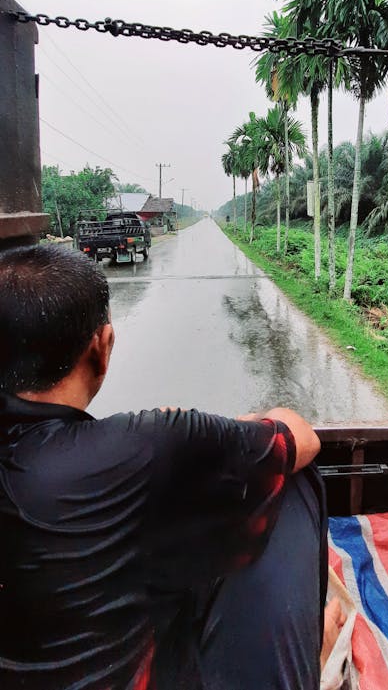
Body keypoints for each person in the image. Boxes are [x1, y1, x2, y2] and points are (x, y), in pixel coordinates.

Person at [0, 244, 343, 690]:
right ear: (102, 346)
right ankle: (308, 656)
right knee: (286, 481)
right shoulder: (147, 443)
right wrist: (215, 438)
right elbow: (301, 436)